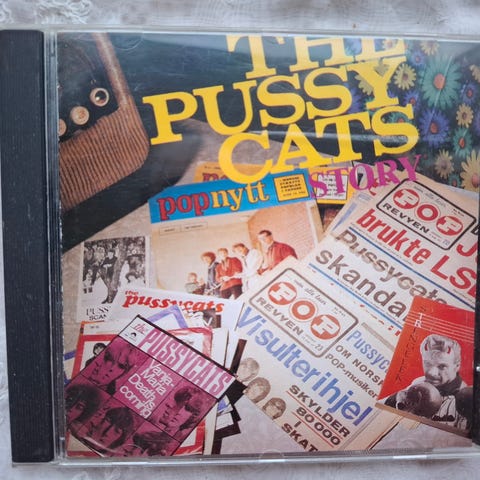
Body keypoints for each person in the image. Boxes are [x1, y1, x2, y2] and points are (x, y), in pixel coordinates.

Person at [384, 334, 472, 432]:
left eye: (442, 366)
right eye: (428, 364)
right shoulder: (419, 383)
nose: (432, 373)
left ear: (457, 366)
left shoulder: (467, 400)